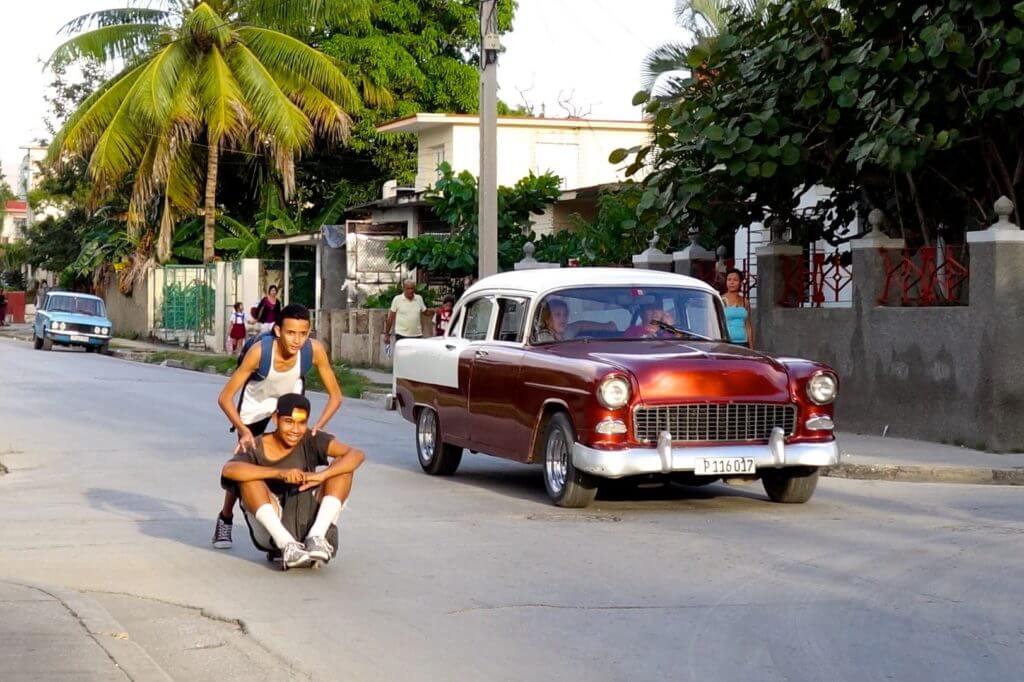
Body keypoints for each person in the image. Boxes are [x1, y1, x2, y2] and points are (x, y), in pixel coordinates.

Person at [214, 304, 343, 549]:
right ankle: (225, 518)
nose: (297, 340)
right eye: (290, 333)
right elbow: (225, 398)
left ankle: (294, 520)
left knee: (296, 461)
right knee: (244, 463)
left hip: (287, 410)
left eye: (303, 333)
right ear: (277, 330)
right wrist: (243, 430)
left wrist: (318, 426)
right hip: (255, 409)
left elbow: (336, 396)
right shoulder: (260, 353)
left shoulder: (313, 351)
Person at [221, 393, 365, 570]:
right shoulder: (256, 446)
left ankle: (316, 538)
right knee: (249, 479)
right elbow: (229, 469)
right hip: (274, 528)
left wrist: (322, 475)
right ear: (275, 419)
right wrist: (279, 473)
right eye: (288, 421)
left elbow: (356, 454)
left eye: (301, 423)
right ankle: (288, 546)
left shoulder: (311, 439)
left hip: (308, 518)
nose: (295, 430)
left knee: (342, 468)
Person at [532, 298, 616, 343]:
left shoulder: (563, 330)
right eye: (557, 315)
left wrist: (607, 326)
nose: (563, 318)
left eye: (565, 315)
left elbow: (581, 325)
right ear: (547, 319)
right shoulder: (544, 336)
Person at [383, 280, 426, 347]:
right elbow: (390, 318)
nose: (410, 291)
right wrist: (386, 334)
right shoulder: (397, 299)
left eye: (412, 288)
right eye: (408, 288)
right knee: (402, 356)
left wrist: (436, 311)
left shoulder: (419, 298)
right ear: (404, 289)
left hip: (417, 335)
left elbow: (425, 311)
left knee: (416, 356)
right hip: (401, 335)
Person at [723, 268, 753, 348]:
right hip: (726, 343)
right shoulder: (721, 300)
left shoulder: (745, 301)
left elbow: (748, 326)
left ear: (740, 283)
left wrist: (751, 348)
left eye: (735, 280)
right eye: (729, 279)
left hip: (743, 343)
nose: (731, 282)